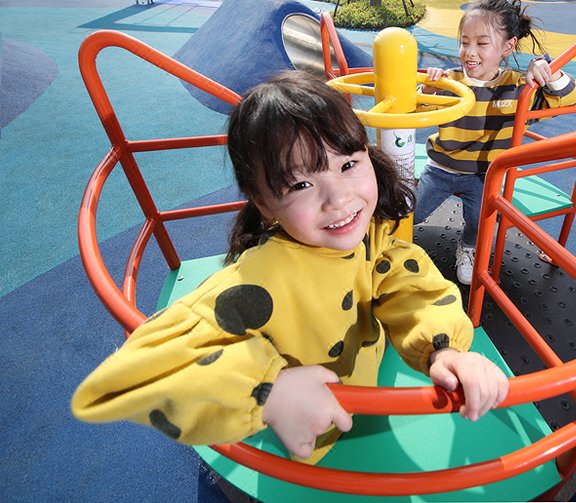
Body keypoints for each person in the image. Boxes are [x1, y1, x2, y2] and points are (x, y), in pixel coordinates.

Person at [72, 70, 509, 466]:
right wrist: (269, 390)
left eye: (348, 164)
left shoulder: (374, 237)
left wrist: (445, 349)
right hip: (308, 443)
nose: (338, 198)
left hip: (363, 396)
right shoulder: (262, 277)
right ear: (264, 203)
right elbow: (139, 373)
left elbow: (412, 286)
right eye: (301, 183)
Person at [414, 0, 576, 285]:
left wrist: (545, 69)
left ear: (507, 47)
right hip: (441, 167)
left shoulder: (519, 89)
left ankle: (469, 248)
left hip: (484, 174)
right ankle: (392, 241)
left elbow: (569, 97)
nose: (470, 52)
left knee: (480, 221)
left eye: (482, 43)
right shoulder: (451, 81)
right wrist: (427, 89)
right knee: (413, 213)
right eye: (464, 42)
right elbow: (416, 111)